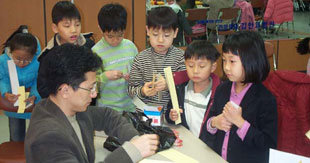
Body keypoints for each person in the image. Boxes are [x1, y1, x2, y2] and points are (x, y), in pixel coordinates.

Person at [25, 44, 159, 163]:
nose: (94, 94)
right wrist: (131, 151)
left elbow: (108, 116)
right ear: (65, 90)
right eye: (90, 88)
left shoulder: (69, 108)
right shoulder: (48, 138)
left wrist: (134, 139)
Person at [205, 31, 277, 163]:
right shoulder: (222, 89)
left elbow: (268, 145)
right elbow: (208, 124)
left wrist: (240, 123)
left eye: (232, 61)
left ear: (251, 60)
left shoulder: (265, 99)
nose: (226, 67)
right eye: (224, 60)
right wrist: (215, 123)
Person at [128, 6, 186, 108]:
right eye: (155, 34)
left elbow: (186, 87)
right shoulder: (141, 59)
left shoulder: (180, 57)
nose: (160, 40)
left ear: (175, 33)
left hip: (173, 115)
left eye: (166, 35)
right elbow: (130, 90)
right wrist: (142, 91)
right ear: (147, 31)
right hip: (146, 115)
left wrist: (169, 85)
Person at [165, 40, 220, 144]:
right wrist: (171, 116)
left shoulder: (217, 94)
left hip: (209, 147)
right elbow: (170, 111)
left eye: (202, 66)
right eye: (190, 65)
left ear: (213, 67)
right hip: (187, 144)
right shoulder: (181, 89)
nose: (195, 71)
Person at [37, 0, 95, 98]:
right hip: (61, 107)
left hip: (86, 103)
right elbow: (43, 88)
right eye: (67, 26)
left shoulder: (89, 46)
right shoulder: (48, 55)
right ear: (55, 28)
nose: (73, 30)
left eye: (77, 25)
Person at [92, 3, 138, 112]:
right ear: (100, 28)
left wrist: (133, 77)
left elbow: (140, 73)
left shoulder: (130, 46)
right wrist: (105, 76)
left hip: (131, 108)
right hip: (107, 110)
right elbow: (90, 86)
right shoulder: (95, 52)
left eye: (120, 35)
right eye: (110, 36)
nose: (115, 40)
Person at [0, 26, 41, 141]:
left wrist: (34, 95)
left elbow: (38, 80)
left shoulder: (38, 62)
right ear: (10, 52)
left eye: (27, 59)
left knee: (36, 137)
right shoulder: (3, 61)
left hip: (31, 102)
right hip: (13, 102)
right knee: (16, 137)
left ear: (34, 55)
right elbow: (3, 79)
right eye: (17, 58)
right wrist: (6, 93)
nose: (22, 63)